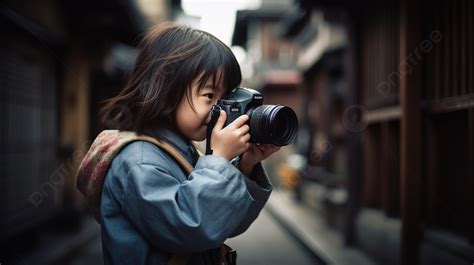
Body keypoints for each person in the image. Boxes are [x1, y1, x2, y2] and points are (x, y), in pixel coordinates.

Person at [76, 22, 280, 265]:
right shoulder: (138, 161)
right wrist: (218, 161)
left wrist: (246, 166)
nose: (220, 109)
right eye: (209, 95)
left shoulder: (179, 151)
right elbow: (192, 228)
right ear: (165, 91)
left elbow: (222, 224)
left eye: (225, 98)